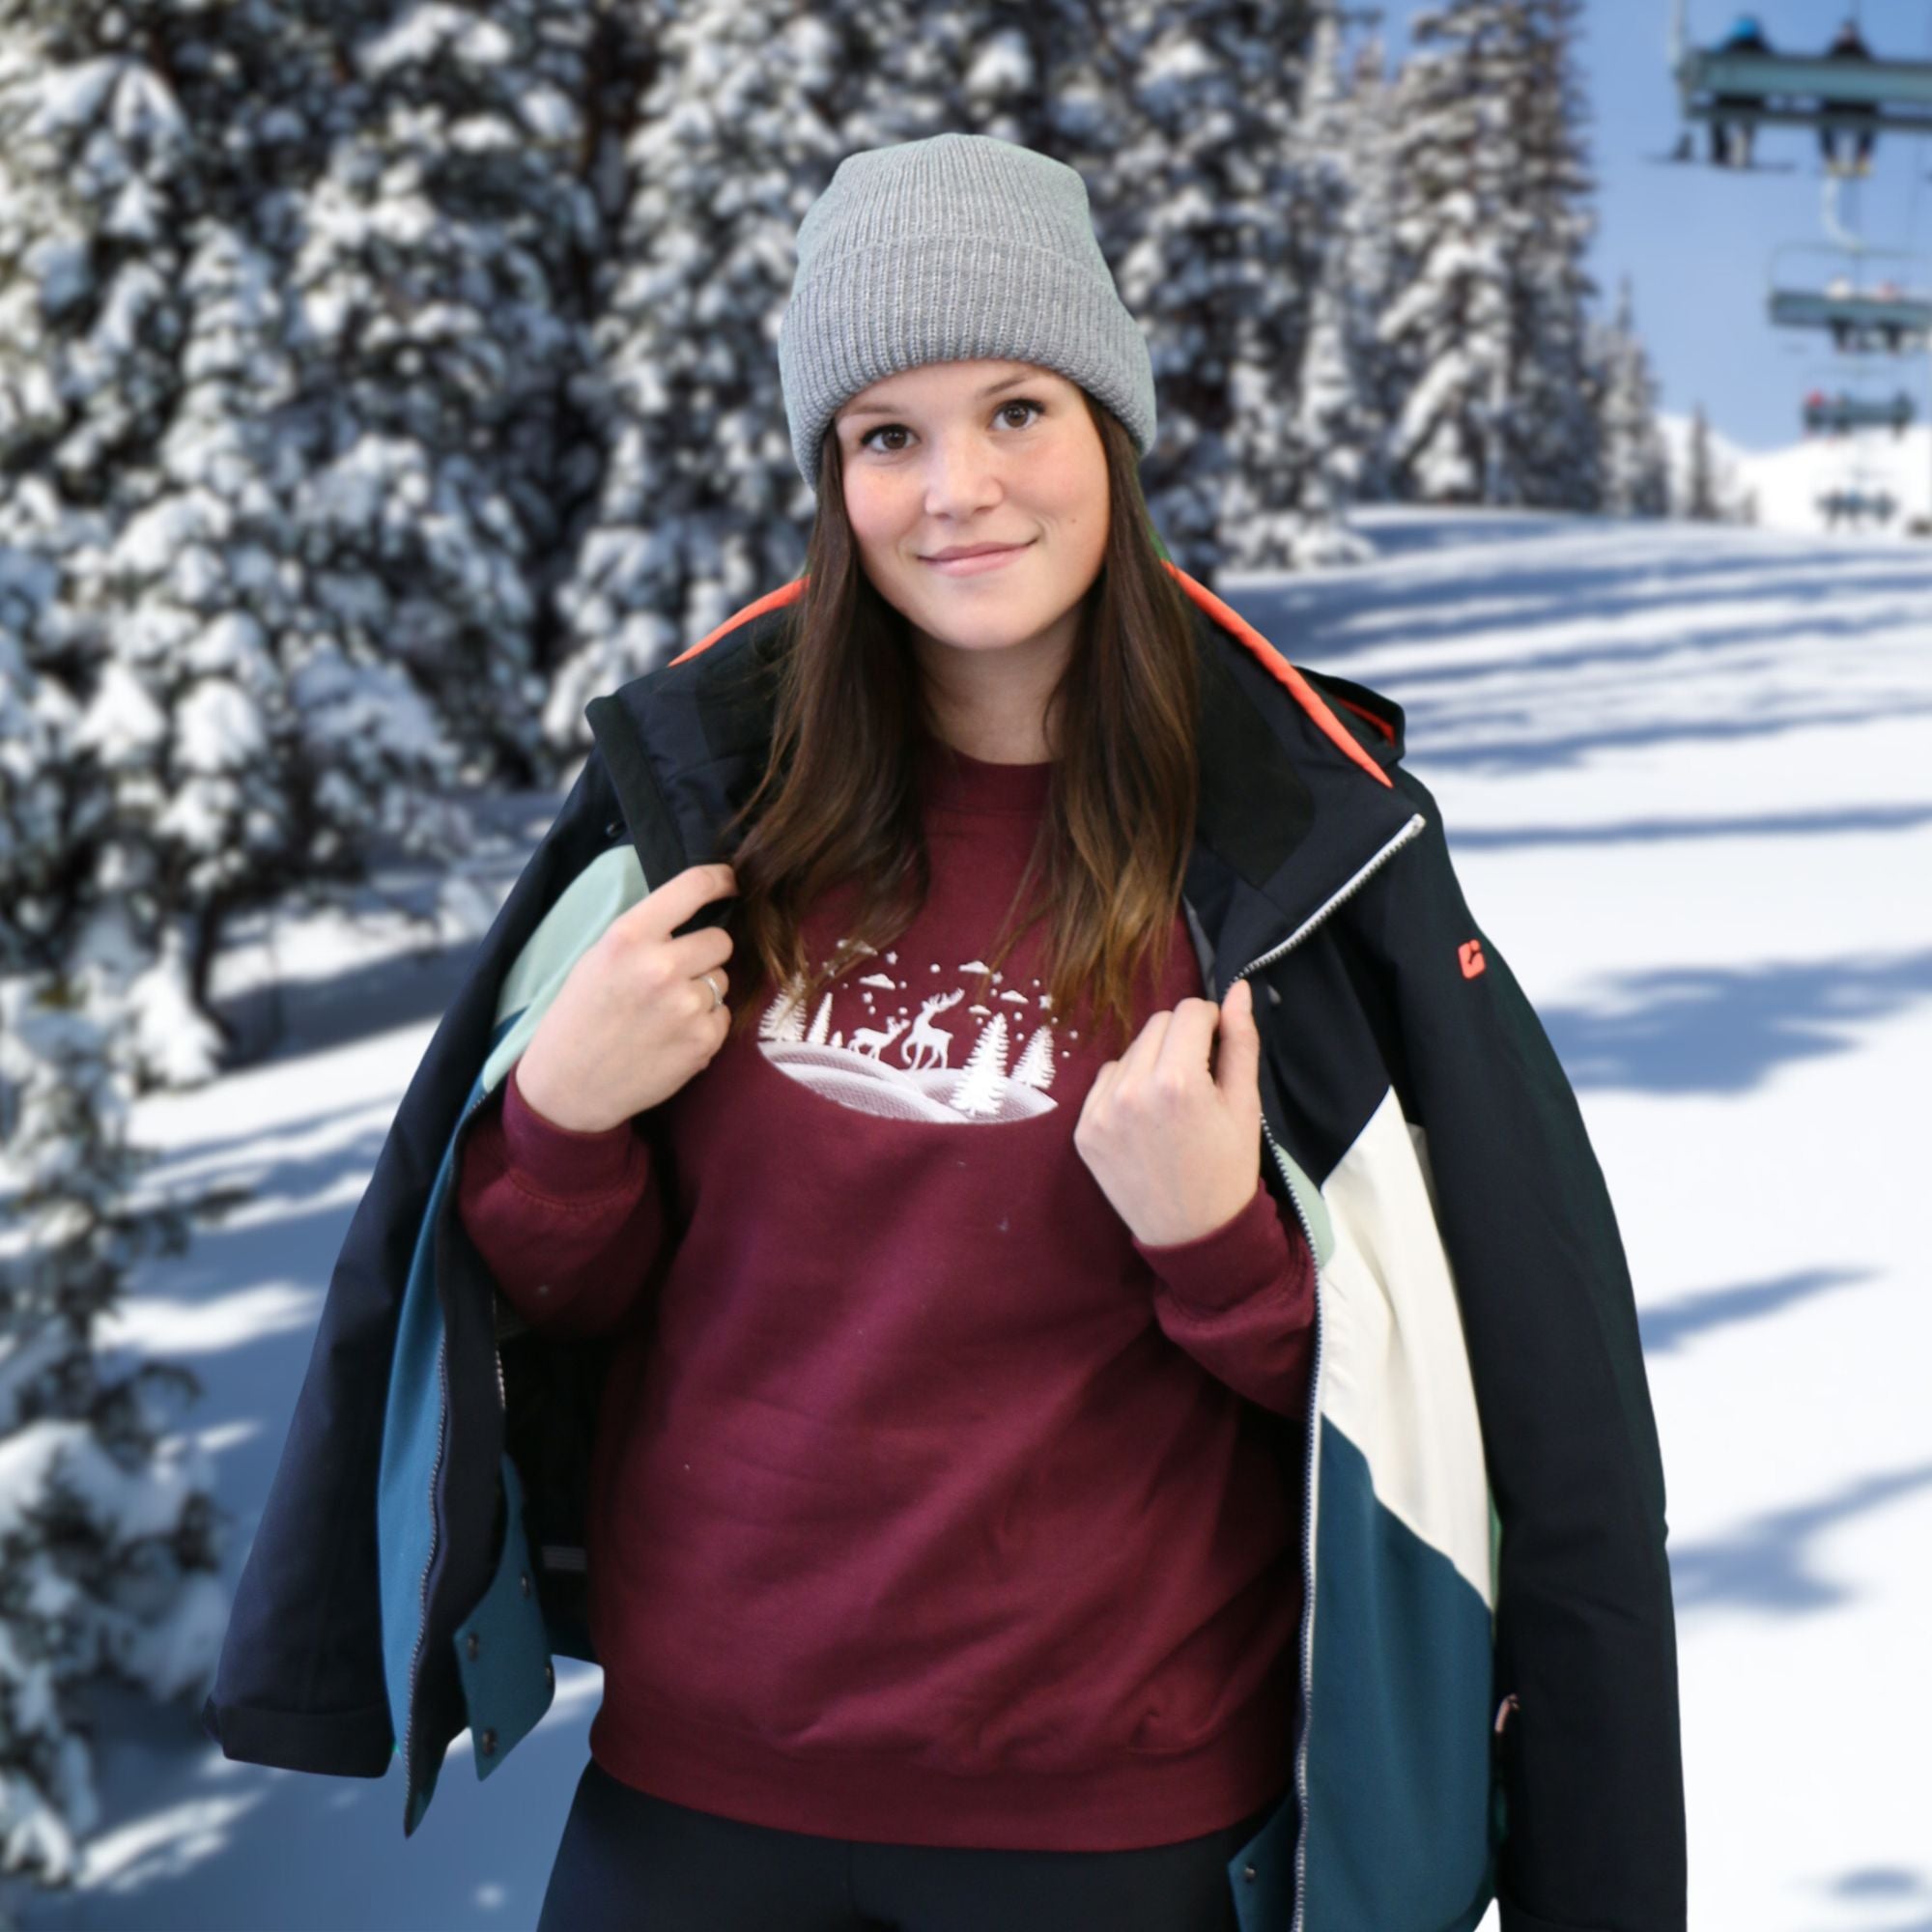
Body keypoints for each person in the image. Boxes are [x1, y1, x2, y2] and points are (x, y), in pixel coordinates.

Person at [198, 134, 1688, 1932]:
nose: (956, 489)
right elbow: (556, 1305)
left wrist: (1218, 1242)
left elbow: (1431, 1410)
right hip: (692, 1800)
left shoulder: (1285, 851)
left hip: (1115, 1834)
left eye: (1016, 411)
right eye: (885, 434)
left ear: (1109, 435)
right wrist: (562, 1131)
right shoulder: (705, 820)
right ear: (833, 480)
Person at [1710, 14, 1774, 166]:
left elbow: (1710, 60)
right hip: (1753, 100)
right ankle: (1744, 144)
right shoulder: (1763, 48)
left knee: (1716, 117)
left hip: (1727, 98)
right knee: (1751, 117)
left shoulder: (1728, 45)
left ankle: (1719, 151)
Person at [1818, 19, 1880, 174]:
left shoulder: (1861, 51)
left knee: (1871, 118)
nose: (1848, 36)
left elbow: (1872, 72)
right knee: (1823, 120)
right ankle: (1830, 157)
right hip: (1837, 99)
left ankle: (1862, 156)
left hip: (1857, 99)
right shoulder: (1835, 50)